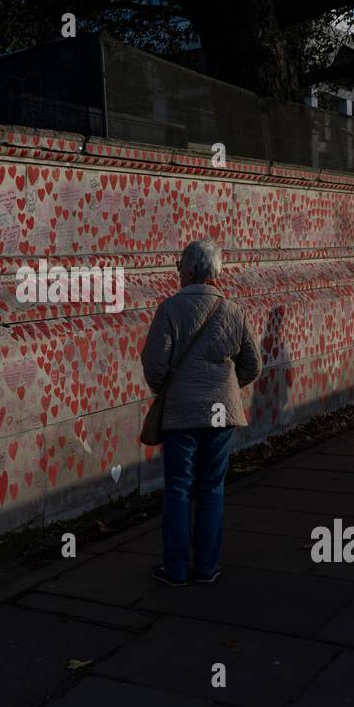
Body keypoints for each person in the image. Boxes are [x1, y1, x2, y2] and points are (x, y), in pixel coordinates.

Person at [141, 238, 262, 586]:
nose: (177, 271)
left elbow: (154, 364)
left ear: (191, 269)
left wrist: (168, 387)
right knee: (212, 488)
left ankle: (176, 569)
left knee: (178, 488)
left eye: (179, 265)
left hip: (181, 412)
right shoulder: (233, 311)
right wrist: (223, 389)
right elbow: (253, 365)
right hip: (222, 413)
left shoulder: (169, 309)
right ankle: (207, 568)